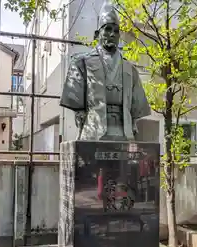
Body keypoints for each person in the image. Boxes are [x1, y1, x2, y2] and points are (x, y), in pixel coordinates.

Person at [59, 0, 151, 141]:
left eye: (116, 31)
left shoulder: (130, 69)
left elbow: (137, 107)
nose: (112, 34)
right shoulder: (81, 63)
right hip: (94, 129)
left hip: (123, 131)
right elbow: (74, 99)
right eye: (107, 29)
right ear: (97, 34)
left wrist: (133, 122)